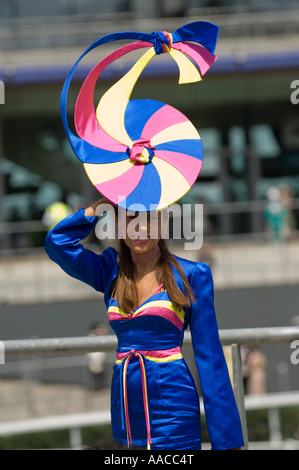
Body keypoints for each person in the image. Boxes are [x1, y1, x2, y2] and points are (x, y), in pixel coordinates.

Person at [45, 198, 244, 450]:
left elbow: (210, 359)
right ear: (117, 223)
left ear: (164, 221)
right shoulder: (109, 271)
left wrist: (227, 443)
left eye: (150, 217)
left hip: (174, 406)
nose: (141, 228)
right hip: (125, 405)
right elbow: (56, 243)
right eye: (130, 218)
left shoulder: (192, 274)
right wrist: (101, 205)